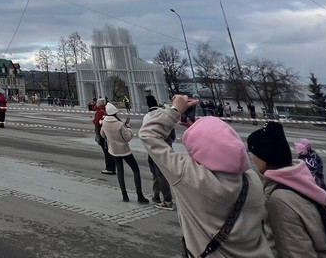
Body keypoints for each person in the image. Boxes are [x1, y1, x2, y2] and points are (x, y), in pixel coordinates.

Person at [140, 95, 272, 258]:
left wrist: (175, 110)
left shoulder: (191, 177)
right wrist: (200, 130)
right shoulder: (253, 179)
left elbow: (148, 134)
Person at [247, 122, 326, 257]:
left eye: (252, 154)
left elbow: (296, 252)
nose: (252, 159)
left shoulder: (279, 199)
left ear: (264, 159)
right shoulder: (299, 180)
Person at [101, 102, 148, 204]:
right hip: (124, 150)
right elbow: (128, 138)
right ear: (115, 113)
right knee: (136, 170)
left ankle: (124, 195)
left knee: (120, 172)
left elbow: (102, 134)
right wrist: (129, 128)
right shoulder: (119, 124)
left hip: (113, 150)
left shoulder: (104, 122)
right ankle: (139, 195)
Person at [142, 99, 174, 209]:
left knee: (158, 173)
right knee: (159, 172)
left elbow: (144, 134)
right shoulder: (165, 115)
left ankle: (167, 200)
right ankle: (157, 195)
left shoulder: (147, 117)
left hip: (153, 148)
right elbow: (172, 133)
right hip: (166, 146)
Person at [92, 97, 114, 175]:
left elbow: (97, 122)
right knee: (110, 151)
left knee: (106, 151)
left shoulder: (99, 112)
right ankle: (113, 167)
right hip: (109, 132)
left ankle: (109, 168)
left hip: (102, 133)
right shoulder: (107, 110)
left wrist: (94, 121)